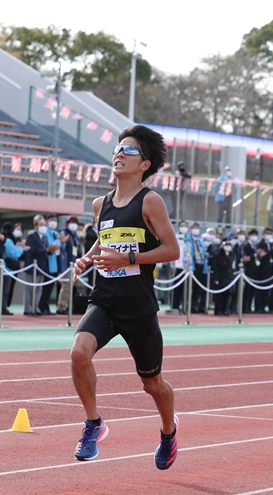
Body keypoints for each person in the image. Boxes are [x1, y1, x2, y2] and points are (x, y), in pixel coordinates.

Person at [71, 124, 180, 469]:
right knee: (79, 353)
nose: (119, 155)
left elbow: (172, 250)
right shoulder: (99, 204)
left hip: (138, 307)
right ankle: (93, 424)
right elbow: (105, 238)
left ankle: (168, 432)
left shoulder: (150, 201)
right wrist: (89, 256)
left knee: (153, 384)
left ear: (144, 164)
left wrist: (129, 258)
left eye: (128, 151)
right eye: (117, 150)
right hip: (105, 299)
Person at [24, 215, 57, 315]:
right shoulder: (31, 236)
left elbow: (46, 251)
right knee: (30, 289)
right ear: (36, 226)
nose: (43, 226)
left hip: (41, 267)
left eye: (44, 225)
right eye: (41, 224)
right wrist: (46, 250)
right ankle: (28, 309)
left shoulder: (45, 237)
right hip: (32, 266)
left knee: (39, 289)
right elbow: (32, 250)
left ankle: (36, 308)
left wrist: (51, 250)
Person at [56, 215, 81, 315]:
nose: (74, 225)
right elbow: (60, 248)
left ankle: (66, 306)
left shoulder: (75, 236)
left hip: (73, 264)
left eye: (75, 222)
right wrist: (62, 242)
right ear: (67, 224)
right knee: (65, 286)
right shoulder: (64, 233)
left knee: (70, 287)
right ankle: (61, 307)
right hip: (65, 265)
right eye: (71, 222)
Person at [0, 222, 25, 316]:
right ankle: (3, 307)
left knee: (6, 289)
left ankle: (4, 306)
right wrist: (21, 248)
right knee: (5, 289)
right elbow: (14, 254)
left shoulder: (7, 239)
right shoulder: (8, 241)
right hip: (7, 268)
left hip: (7, 268)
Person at [171, 220, 191, 313]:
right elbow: (172, 251)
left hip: (186, 267)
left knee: (186, 288)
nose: (184, 227)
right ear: (178, 227)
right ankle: (175, 306)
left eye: (185, 226)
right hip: (177, 265)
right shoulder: (175, 237)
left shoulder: (187, 238)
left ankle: (184, 307)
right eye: (182, 226)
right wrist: (173, 265)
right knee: (177, 288)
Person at [188, 222, 208, 314]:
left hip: (201, 265)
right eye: (194, 227)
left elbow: (203, 252)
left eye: (197, 227)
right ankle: (189, 306)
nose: (196, 229)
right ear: (191, 229)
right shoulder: (188, 239)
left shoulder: (200, 240)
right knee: (190, 288)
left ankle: (197, 306)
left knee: (198, 289)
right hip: (192, 267)